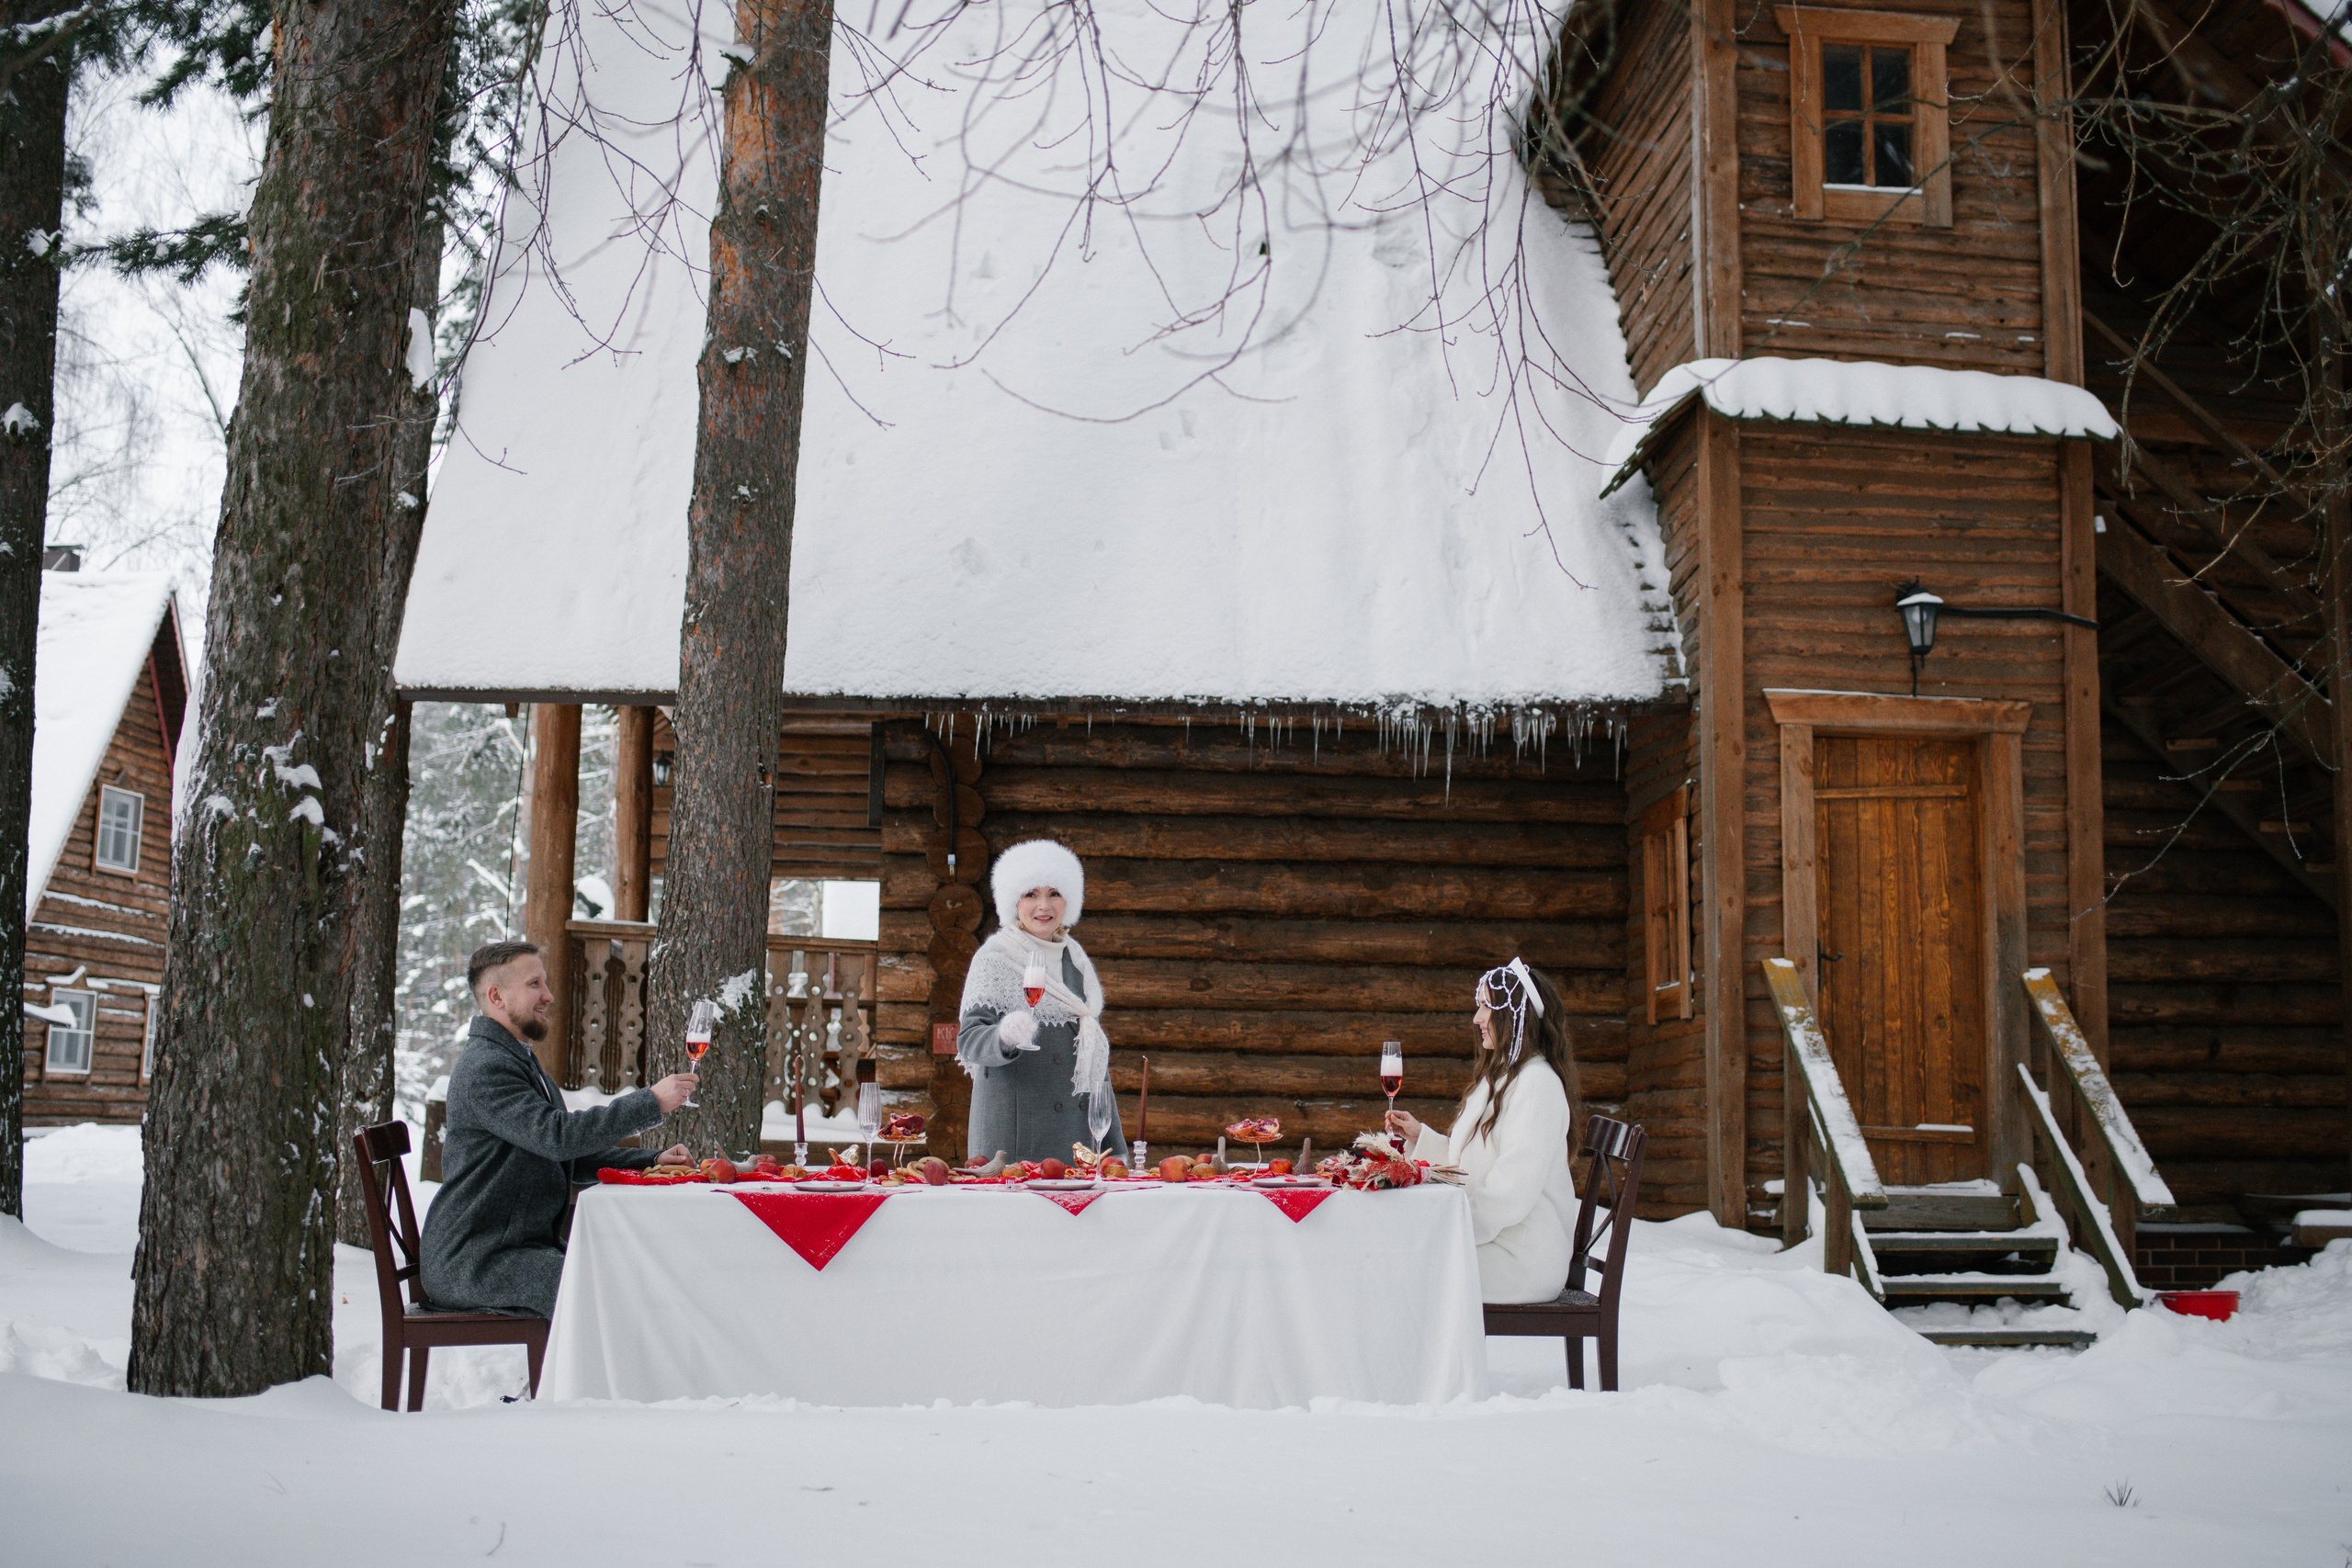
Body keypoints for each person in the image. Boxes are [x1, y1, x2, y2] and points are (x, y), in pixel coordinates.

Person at [420, 940, 699, 1318]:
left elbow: (566, 1151)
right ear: (496, 996)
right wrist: (650, 1101)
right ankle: (584, 1379)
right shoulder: (486, 1068)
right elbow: (558, 1137)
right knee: (610, 1285)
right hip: (476, 1260)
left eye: (545, 983)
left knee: (627, 1268)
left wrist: (650, 1160)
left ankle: (591, 1378)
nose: (548, 996)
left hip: (510, 1250)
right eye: (534, 984)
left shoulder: (518, 1060)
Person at [1385, 958, 1582, 1303]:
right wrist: (1421, 1138)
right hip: (1497, 1241)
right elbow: (1476, 1165)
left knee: (1400, 1264)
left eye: (1486, 1007)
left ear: (1513, 1014)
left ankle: (1433, 1359)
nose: (1477, 1019)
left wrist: (1451, 1229)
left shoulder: (1537, 1085)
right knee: (1394, 1255)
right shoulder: (1503, 1078)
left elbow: (1511, 1193)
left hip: (1522, 1258)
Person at [956, 839, 1130, 1165]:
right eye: (1031, 894)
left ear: (1069, 901)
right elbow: (969, 1040)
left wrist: (1114, 1144)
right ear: (1013, 902)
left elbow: (1093, 1063)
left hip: (1074, 1137)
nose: (1044, 906)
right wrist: (1004, 1037)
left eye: (1054, 893)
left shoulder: (1076, 961)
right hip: (1013, 1140)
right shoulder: (995, 958)